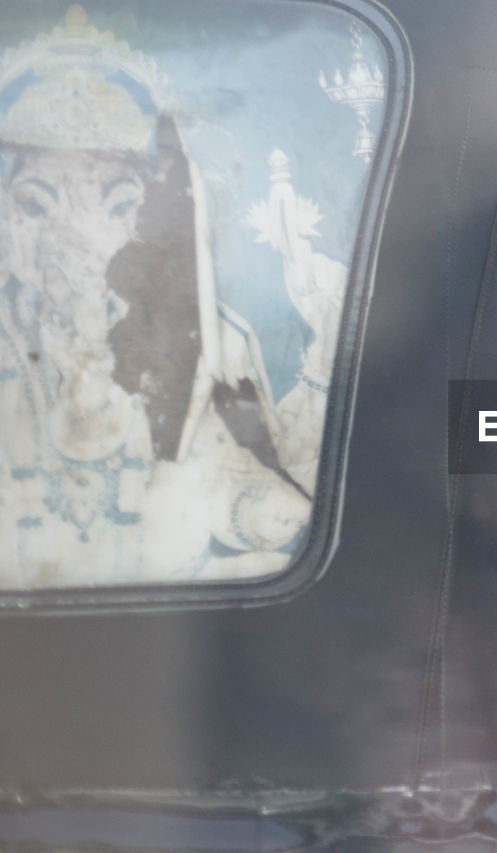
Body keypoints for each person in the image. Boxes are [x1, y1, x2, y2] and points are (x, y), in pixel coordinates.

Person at [0, 6, 311, 586]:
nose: (77, 242)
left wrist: (263, 508)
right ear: (8, 229)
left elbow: (245, 492)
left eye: (116, 206)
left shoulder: (194, 343)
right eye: (36, 205)